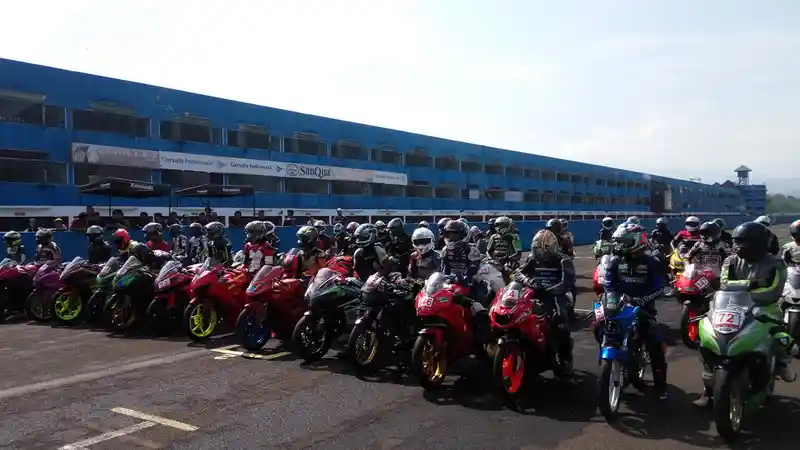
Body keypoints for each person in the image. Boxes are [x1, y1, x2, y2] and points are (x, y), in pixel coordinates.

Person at [694, 221, 794, 408]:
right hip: (731, 304)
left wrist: (742, 288)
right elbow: (724, 284)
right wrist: (754, 284)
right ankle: (708, 388)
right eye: (736, 242)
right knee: (708, 338)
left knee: (776, 330)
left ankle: (782, 362)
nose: (738, 246)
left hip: (766, 306)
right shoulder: (731, 261)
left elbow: (773, 291)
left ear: (758, 243)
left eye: (743, 242)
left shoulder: (776, 263)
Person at [604, 222, 668, 400]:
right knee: (601, 327)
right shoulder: (616, 261)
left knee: (655, 343)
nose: (619, 245)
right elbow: (608, 283)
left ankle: (661, 386)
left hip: (644, 310)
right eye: (618, 242)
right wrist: (612, 296)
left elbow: (660, 287)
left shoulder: (651, 262)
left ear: (637, 241)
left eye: (623, 242)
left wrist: (643, 300)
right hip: (620, 307)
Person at [514, 229, 576, 378]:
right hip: (534, 293)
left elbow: (567, 282)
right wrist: (527, 280)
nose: (540, 253)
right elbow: (518, 273)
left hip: (557, 295)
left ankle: (566, 360)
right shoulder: (532, 259)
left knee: (561, 325)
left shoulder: (563, 260)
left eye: (543, 250)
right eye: (537, 249)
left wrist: (548, 291)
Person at [440, 219, 483, 300]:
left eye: (455, 233)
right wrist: (443, 278)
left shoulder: (471, 249)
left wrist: (465, 278)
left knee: (479, 295)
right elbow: (444, 267)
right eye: (449, 233)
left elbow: (473, 269)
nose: (452, 236)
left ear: (463, 234)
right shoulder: (445, 249)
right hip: (451, 280)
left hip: (468, 281)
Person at [683, 221, 728, 287]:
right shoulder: (699, 244)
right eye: (702, 233)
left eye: (707, 233)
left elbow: (732, 260)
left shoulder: (723, 246)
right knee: (688, 289)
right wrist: (688, 268)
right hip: (701, 277)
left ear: (716, 234)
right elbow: (686, 257)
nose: (704, 235)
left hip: (718, 278)